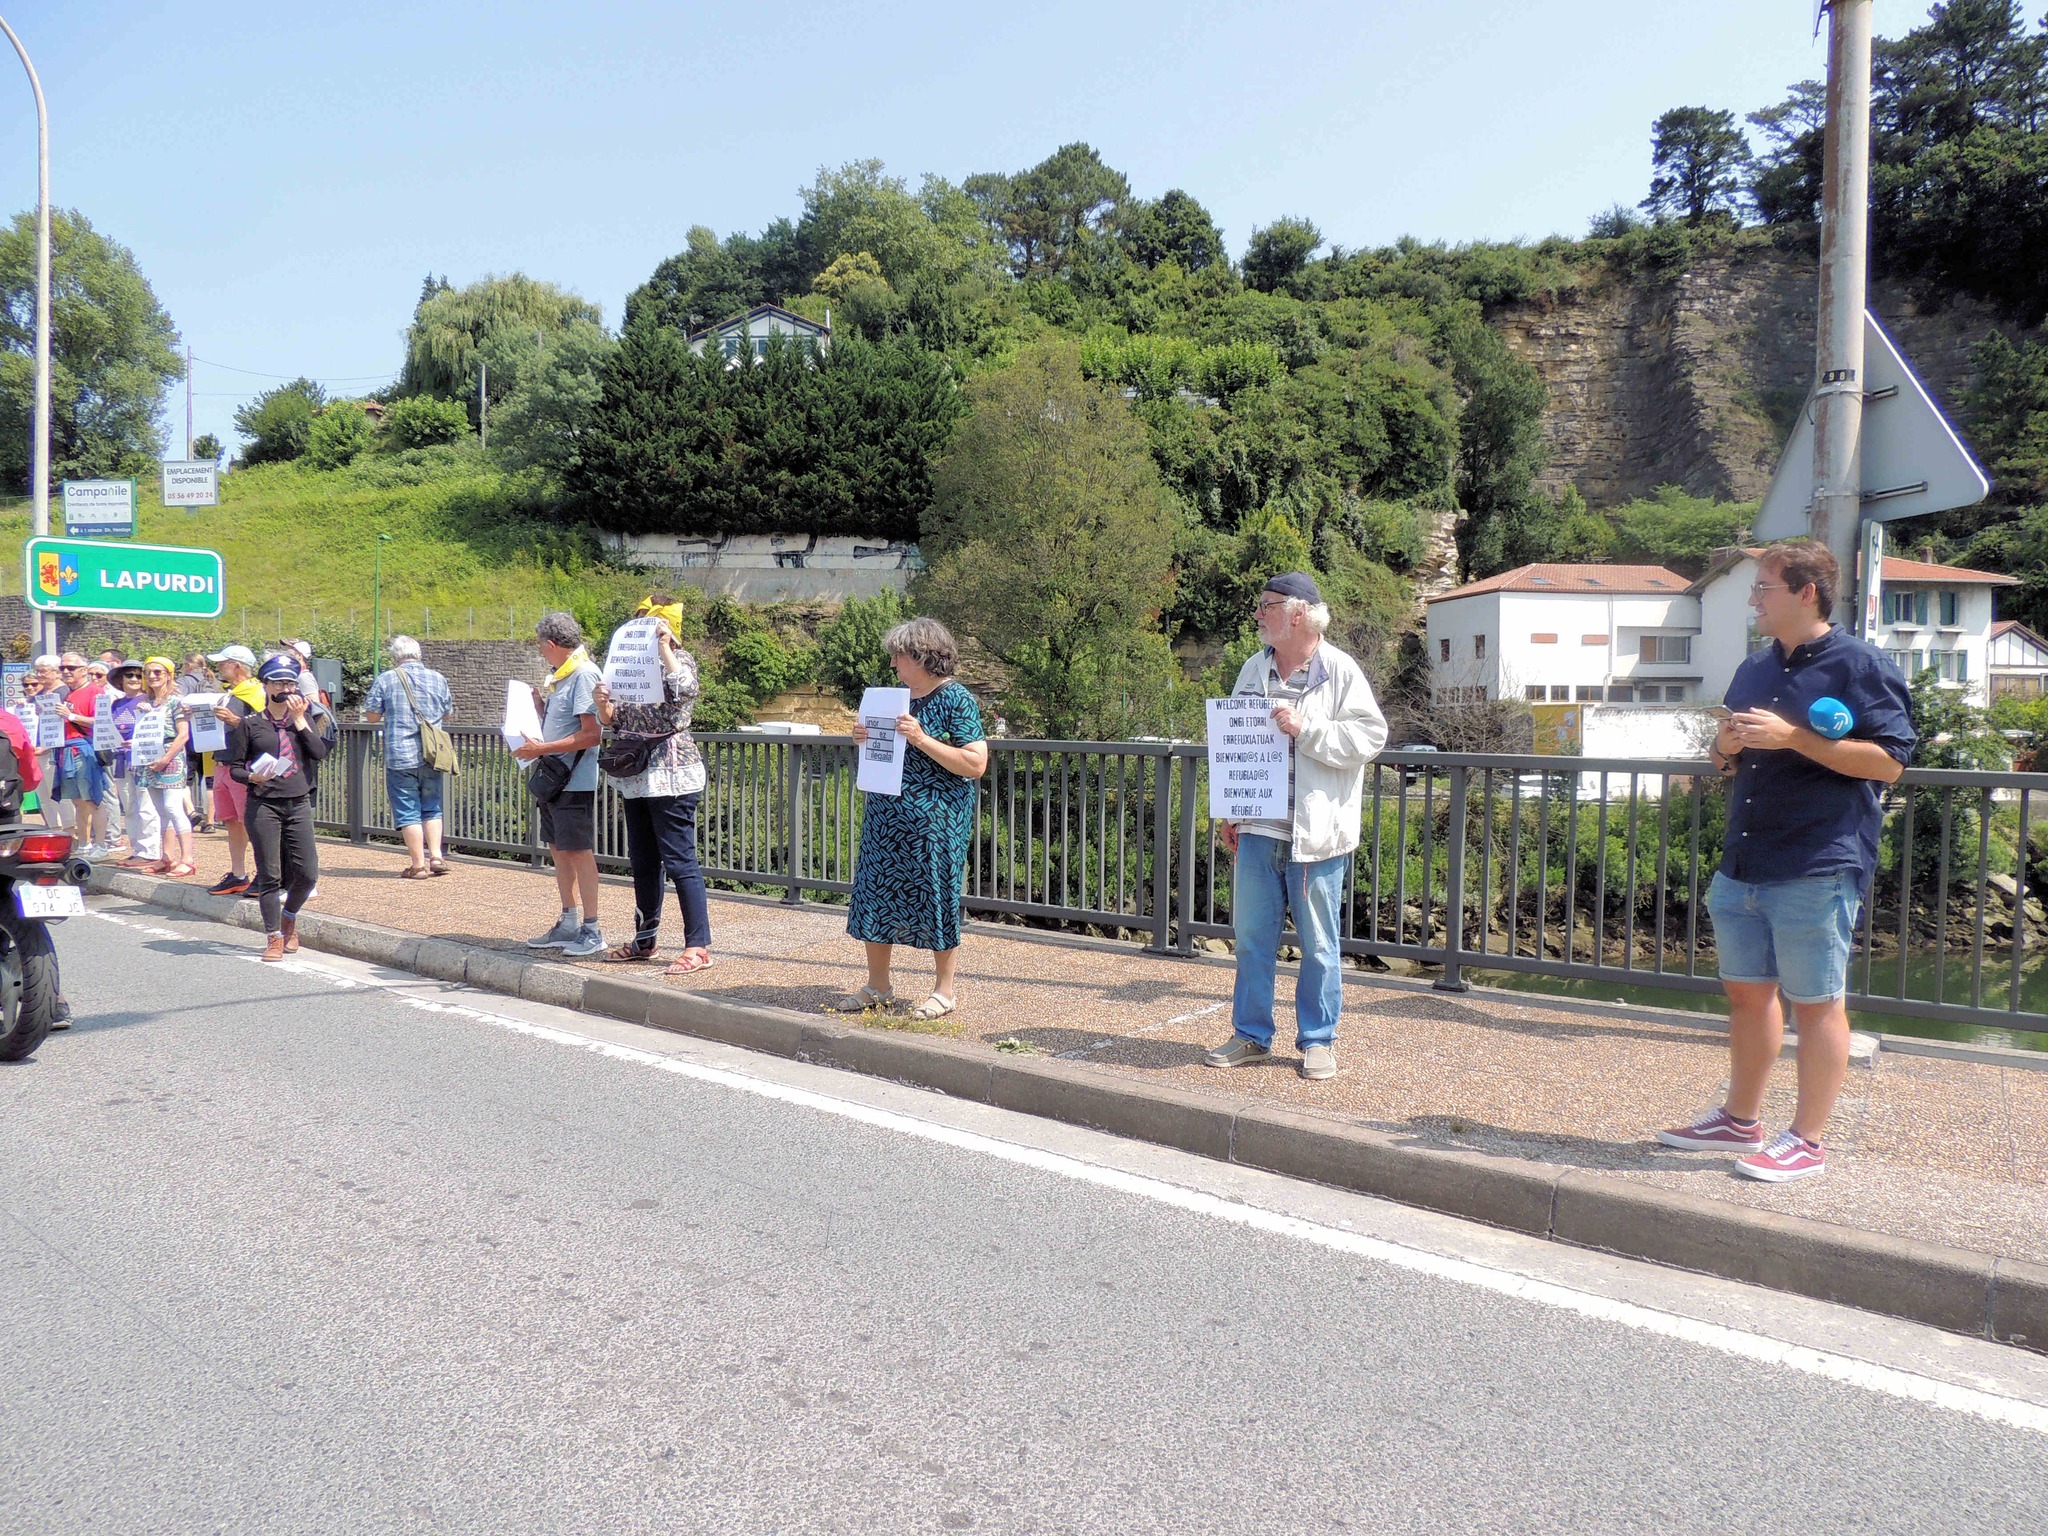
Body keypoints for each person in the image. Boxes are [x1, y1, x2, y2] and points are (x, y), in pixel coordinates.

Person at [1657, 539, 1915, 1182]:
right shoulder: (1753, 669)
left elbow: (1889, 763)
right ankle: (1739, 1120)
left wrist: (1794, 738)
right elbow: (1730, 761)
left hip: (1818, 860)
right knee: (1748, 997)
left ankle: (1807, 1139)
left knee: (1818, 1005)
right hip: (1743, 859)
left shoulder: (1860, 664)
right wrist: (1722, 749)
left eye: (1763, 589)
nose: (1753, 601)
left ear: (1806, 592)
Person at [1202, 572, 1389, 1082]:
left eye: (1267, 606)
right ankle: (1251, 1036)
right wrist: (1231, 809)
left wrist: (1308, 730)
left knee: (1320, 945)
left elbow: (1371, 736)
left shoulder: (1340, 670)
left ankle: (1318, 1041)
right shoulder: (1252, 668)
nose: (1258, 614)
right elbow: (1233, 742)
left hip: (1316, 835)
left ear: (1299, 612)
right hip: (1259, 829)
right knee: (1251, 940)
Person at [828, 617, 988, 1021]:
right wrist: (861, 738)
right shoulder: (894, 699)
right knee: (876, 895)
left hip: (936, 822)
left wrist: (921, 738)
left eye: (899, 655)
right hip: (887, 817)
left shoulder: (957, 700)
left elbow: (975, 763)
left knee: (937, 897)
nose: (894, 663)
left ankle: (944, 991)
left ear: (921, 656)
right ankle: (877, 985)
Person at [592, 595, 711, 973]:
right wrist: (602, 705)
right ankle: (645, 940)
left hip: (672, 771)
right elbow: (616, 719)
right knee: (643, 860)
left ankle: (699, 946)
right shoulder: (629, 667)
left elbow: (685, 689)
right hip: (637, 772)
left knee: (680, 861)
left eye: (651, 623)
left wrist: (664, 647)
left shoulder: (680, 659)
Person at [224, 654, 329, 961]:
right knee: (270, 875)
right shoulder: (250, 724)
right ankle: (274, 937)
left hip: (297, 802)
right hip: (263, 804)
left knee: (307, 873)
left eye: (290, 682)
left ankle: (290, 916)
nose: (286, 687)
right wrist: (251, 775)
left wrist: (299, 720)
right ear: (267, 686)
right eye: (280, 682)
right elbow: (234, 767)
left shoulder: (303, 721)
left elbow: (319, 753)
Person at [516, 612, 605, 958]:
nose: (541, 653)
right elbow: (566, 725)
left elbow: (591, 735)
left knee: (579, 851)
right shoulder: (562, 676)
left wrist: (541, 749)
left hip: (574, 781)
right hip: (556, 779)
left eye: (542, 648)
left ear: (552, 645)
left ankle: (593, 929)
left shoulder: (583, 675)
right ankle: (569, 921)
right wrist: (540, 710)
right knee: (557, 847)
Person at [362, 635, 455, 878]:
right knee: (432, 806)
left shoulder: (387, 679)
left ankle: (418, 865)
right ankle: (436, 856)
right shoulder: (438, 678)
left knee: (408, 810)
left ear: (395, 656)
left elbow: (371, 716)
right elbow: (447, 714)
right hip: (433, 755)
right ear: (419, 654)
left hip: (400, 755)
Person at [204, 645, 266, 896]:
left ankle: (266, 874)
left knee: (252, 822)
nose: (219, 667)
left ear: (237, 666)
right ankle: (238, 874)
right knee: (232, 822)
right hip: (222, 763)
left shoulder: (255, 693)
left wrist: (235, 722)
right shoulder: (231, 693)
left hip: (243, 765)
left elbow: (266, 728)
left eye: (223, 663)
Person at [132, 657, 195, 877]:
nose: (152, 676)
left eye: (157, 672)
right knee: (160, 810)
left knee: (172, 807)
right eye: (148, 672)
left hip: (170, 755)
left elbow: (183, 734)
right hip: (149, 755)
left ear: (169, 675)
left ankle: (188, 858)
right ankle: (167, 856)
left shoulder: (176, 701)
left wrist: (165, 759)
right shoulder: (147, 703)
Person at [104, 660, 160, 870]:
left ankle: (150, 850)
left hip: (142, 757)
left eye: (139, 675)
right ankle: (138, 849)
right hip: (121, 758)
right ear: (121, 679)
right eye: (130, 675)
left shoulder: (150, 700)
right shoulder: (116, 704)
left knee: (146, 805)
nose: (135, 679)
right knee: (129, 807)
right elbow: (107, 728)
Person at [56, 652, 111, 857]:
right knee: (77, 800)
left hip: (85, 749)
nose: (66, 672)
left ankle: (101, 844)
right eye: (63, 668)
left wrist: (71, 716)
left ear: (83, 670)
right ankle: (85, 843)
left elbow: (102, 721)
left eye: (71, 668)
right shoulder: (67, 694)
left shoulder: (96, 692)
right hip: (67, 749)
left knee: (92, 799)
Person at [177, 653, 214, 828]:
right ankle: (211, 821)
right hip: (211, 735)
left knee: (186, 779)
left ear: (187, 665)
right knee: (210, 779)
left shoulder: (183, 682)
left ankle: (191, 812)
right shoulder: (214, 680)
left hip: (190, 735)